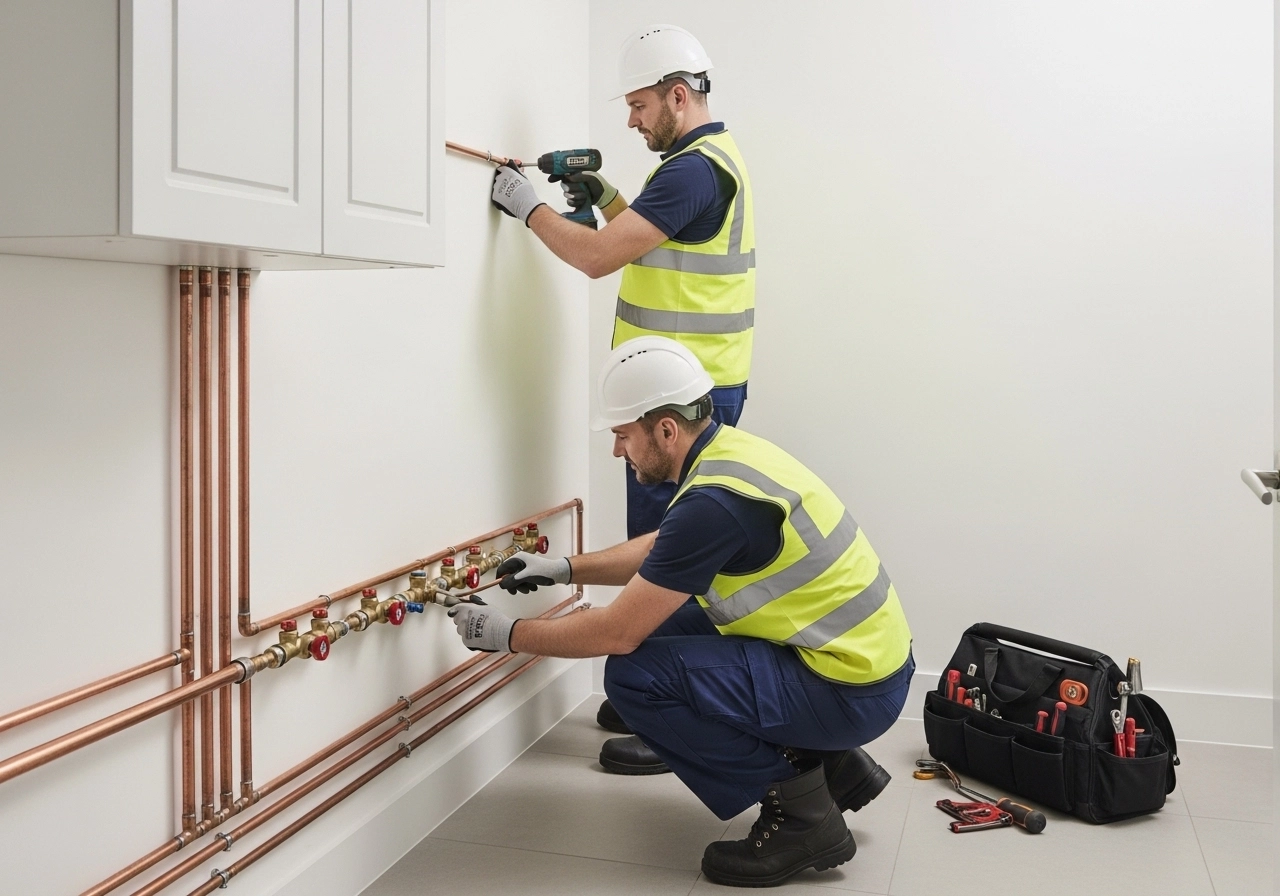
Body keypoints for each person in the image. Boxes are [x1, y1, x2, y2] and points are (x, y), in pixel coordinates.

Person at [449, 337, 914, 888]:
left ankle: (803, 818)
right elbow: (666, 549)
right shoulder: (730, 456)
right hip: (858, 664)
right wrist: (565, 569)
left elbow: (617, 633)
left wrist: (508, 635)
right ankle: (830, 764)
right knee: (666, 619)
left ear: (665, 429)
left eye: (623, 436)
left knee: (633, 677)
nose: (617, 452)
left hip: (850, 689)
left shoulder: (714, 503)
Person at [488, 24, 756, 540]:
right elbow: (660, 244)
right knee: (681, 545)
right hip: (701, 385)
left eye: (639, 105)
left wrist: (527, 206)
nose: (632, 120)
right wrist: (607, 197)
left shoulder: (691, 173)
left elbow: (596, 257)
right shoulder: (714, 156)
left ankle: (654, 626)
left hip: (674, 398)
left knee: (661, 554)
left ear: (677, 96)